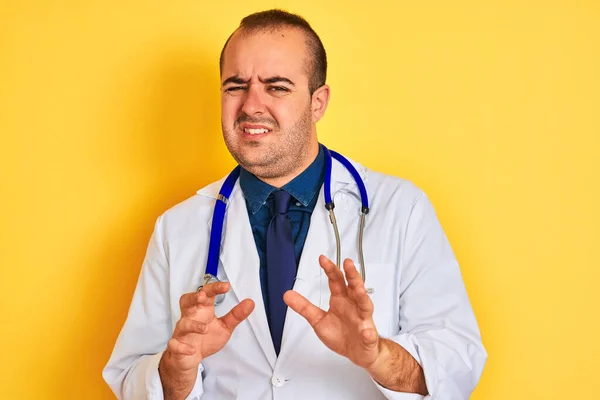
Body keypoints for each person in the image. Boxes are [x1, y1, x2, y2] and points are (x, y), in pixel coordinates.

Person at [103, 9, 487, 400]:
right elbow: (130, 375)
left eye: (277, 87)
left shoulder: (401, 209)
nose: (251, 105)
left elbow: (459, 364)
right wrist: (175, 369)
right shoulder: (178, 227)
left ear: (318, 102)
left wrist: (377, 357)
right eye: (235, 86)